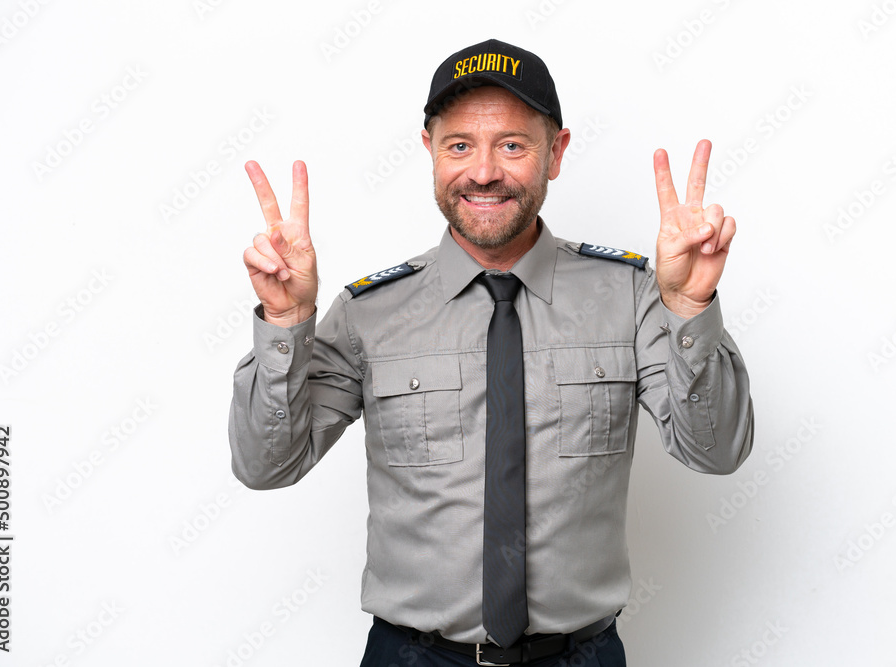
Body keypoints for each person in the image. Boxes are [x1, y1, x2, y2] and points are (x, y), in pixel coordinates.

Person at [229, 38, 754, 666]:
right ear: (429, 151)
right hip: (412, 657)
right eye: (459, 145)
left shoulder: (633, 297)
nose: (483, 171)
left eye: (512, 144)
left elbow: (716, 452)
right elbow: (266, 465)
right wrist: (287, 322)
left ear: (555, 153)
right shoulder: (369, 313)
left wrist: (690, 309)